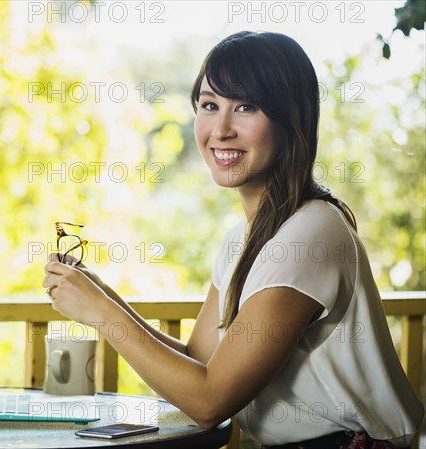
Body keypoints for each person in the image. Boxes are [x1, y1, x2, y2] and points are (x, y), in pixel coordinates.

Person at [42, 31, 424, 448]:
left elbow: (208, 402)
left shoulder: (309, 234)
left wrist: (100, 313)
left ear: (290, 118)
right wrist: (106, 297)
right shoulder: (240, 241)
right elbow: (200, 365)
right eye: (209, 105)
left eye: (245, 106)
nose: (221, 129)